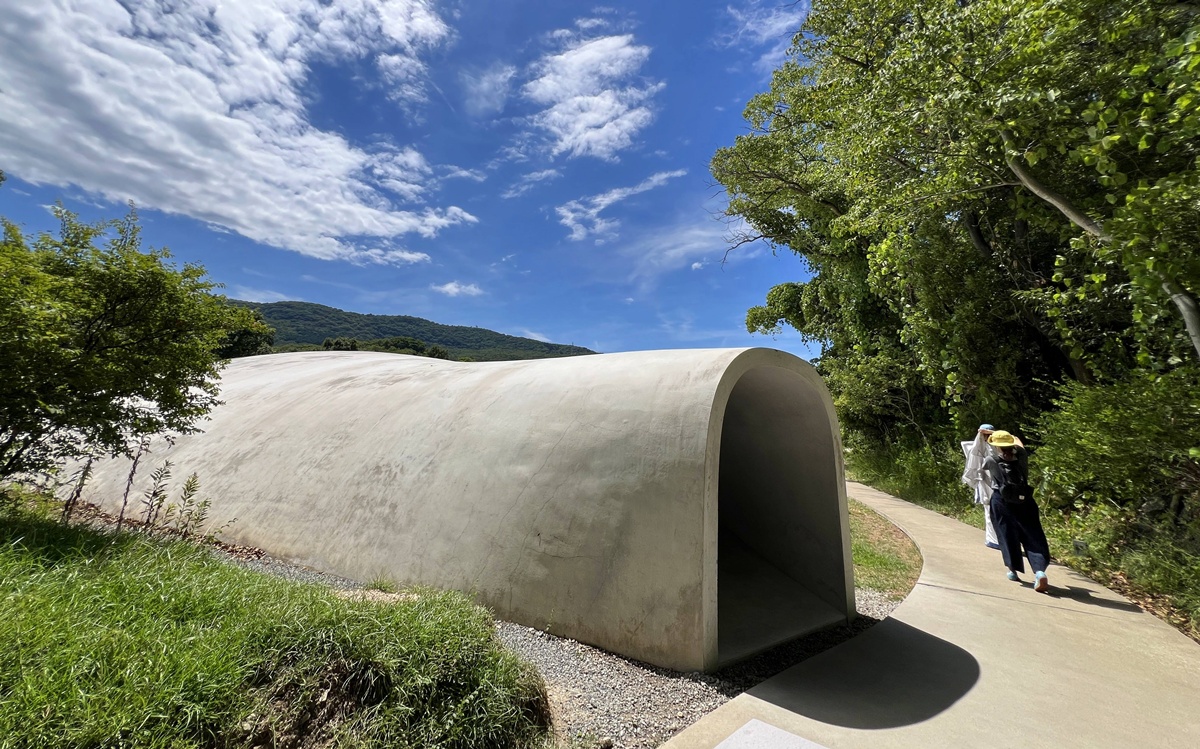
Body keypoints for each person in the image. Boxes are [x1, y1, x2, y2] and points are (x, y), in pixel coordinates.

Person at [981, 430, 1052, 592]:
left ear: (997, 446)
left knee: (1006, 535)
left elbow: (983, 468)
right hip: (1025, 501)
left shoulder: (991, 460)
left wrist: (990, 437)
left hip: (1001, 501)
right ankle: (1039, 571)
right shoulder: (1021, 456)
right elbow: (1018, 443)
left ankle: (1012, 570)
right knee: (1033, 534)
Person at [961, 423, 1000, 549]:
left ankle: (1001, 539)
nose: (986, 437)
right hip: (985, 483)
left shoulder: (999, 447)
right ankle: (992, 539)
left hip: (999, 483)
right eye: (984, 435)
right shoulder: (976, 448)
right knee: (989, 511)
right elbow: (974, 467)